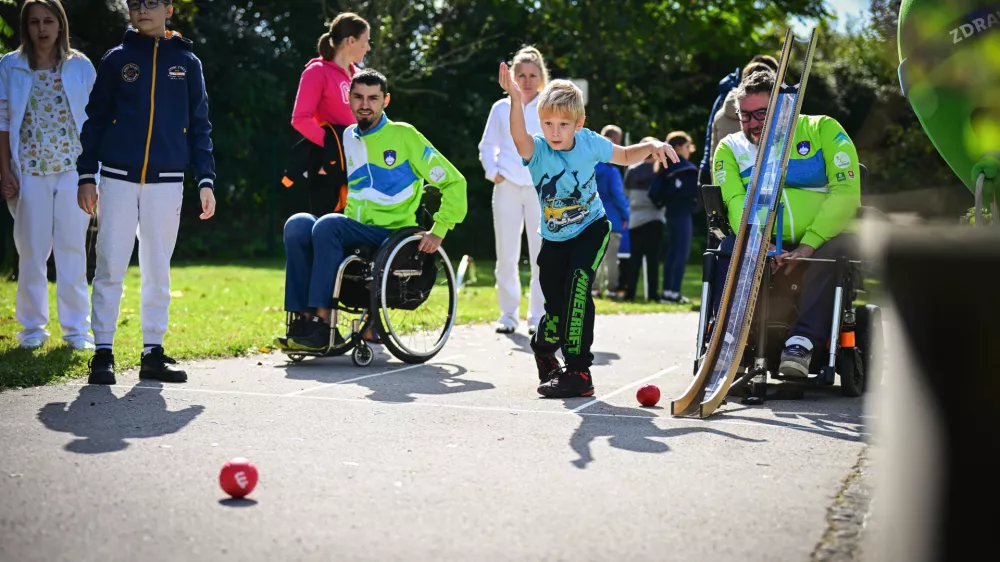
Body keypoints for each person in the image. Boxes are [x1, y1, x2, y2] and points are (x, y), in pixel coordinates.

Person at [497, 62, 678, 398]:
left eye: (563, 125)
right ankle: (543, 348)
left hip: (591, 228)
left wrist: (651, 143)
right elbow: (518, 137)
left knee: (579, 287)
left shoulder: (590, 143)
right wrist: (514, 97)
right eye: (548, 123)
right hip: (553, 239)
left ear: (578, 125)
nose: (555, 131)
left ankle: (579, 371)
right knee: (555, 313)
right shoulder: (536, 151)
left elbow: (624, 155)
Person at [277, 68, 467, 351]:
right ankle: (302, 321)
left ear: (385, 101)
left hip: (391, 233)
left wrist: (439, 230)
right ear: (349, 100)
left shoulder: (404, 136)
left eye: (373, 98)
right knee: (297, 224)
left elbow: (455, 182)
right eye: (358, 97)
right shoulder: (348, 137)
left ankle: (323, 323)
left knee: (329, 225)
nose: (365, 104)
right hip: (357, 227)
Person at [77, 0, 217, 385]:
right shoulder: (115, 59)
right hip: (117, 178)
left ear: (169, 9)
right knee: (110, 265)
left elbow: (200, 124)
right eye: (135, 2)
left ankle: (152, 353)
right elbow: (95, 119)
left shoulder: (188, 63)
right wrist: (86, 174)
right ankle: (102, 352)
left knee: (158, 268)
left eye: (151, 2)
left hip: (168, 180)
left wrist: (206, 180)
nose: (142, 9)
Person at [712, 69, 861, 378]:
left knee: (834, 249)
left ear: (783, 109)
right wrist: (760, 243)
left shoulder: (823, 129)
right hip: (761, 240)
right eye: (745, 116)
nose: (753, 123)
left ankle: (801, 343)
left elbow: (846, 192)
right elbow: (735, 202)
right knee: (727, 248)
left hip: (819, 241)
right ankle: (730, 339)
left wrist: (809, 244)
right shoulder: (729, 148)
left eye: (761, 113)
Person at [0, 0, 96, 350]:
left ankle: (75, 331)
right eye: (35, 22)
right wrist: (5, 170)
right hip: (29, 172)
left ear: (61, 24)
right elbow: (2, 121)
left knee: (72, 249)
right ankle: (32, 329)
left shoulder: (79, 65)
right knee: (32, 251)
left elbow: (96, 120)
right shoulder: (10, 66)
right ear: (25, 27)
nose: (42, 29)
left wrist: (91, 175)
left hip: (73, 170)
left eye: (49, 21)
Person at [478, 46, 548, 335]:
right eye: (521, 75)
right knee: (505, 253)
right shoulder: (500, 108)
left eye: (533, 74)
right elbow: (487, 146)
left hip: (540, 188)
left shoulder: (548, 105)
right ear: (511, 77)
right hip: (506, 185)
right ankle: (508, 315)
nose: (527, 80)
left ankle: (538, 317)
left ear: (542, 76)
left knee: (540, 255)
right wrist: (493, 172)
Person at [288, 12, 370, 216]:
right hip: (328, 168)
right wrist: (332, 145)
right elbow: (300, 119)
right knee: (327, 232)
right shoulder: (316, 71)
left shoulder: (362, 77)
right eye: (366, 41)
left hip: (361, 168)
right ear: (351, 41)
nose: (368, 48)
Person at [650, 131, 699, 304]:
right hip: (683, 214)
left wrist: (663, 203)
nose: (689, 150)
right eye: (687, 146)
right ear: (678, 147)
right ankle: (674, 293)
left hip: (670, 214)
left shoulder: (665, 166)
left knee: (672, 253)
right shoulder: (686, 168)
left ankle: (667, 292)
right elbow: (695, 194)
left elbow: (654, 193)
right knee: (681, 254)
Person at [708, 56, 778, 164]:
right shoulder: (780, 115)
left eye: (761, 113)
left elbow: (715, 161)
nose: (753, 123)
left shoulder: (720, 115)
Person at [621, 137, 665, 301]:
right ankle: (653, 294)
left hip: (636, 218)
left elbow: (626, 193)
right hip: (655, 217)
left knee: (635, 258)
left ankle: (629, 292)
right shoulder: (659, 169)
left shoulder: (632, 170)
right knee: (652, 259)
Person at [593, 124, 629, 298]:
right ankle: (612, 289)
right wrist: (625, 215)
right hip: (612, 217)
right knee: (610, 258)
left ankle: (592, 288)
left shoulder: (589, 166)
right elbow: (618, 195)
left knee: (593, 256)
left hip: (591, 217)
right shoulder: (612, 171)